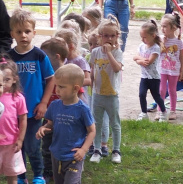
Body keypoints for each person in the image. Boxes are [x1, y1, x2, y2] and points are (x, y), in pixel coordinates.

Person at [8, 8, 55, 184]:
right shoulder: (9, 57)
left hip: (34, 111)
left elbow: (51, 80)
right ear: (12, 33)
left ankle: (38, 175)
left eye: (27, 31)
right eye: (19, 32)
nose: (23, 35)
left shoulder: (40, 56)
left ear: (34, 33)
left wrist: (44, 103)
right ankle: (20, 176)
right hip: (14, 112)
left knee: (33, 146)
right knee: (16, 146)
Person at [36, 64, 96, 184]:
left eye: (61, 87)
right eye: (56, 86)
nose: (57, 90)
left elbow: (92, 131)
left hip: (74, 156)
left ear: (75, 88)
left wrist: (83, 150)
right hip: (56, 154)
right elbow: (50, 124)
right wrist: (43, 128)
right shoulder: (54, 105)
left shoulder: (82, 109)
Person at [89, 15, 123, 164]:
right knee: (96, 122)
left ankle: (116, 150)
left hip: (112, 95)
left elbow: (116, 69)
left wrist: (109, 52)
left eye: (112, 36)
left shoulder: (117, 53)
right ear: (100, 36)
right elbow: (92, 70)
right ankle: (96, 150)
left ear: (117, 37)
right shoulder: (95, 52)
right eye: (105, 35)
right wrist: (91, 85)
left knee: (114, 123)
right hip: (97, 94)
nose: (109, 38)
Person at [40, 38, 69, 183]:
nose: (42, 59)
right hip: (48, 119)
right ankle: (48, 171)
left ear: (57, 56)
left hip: (66, 119)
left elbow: (80, 96)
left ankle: (66, 170)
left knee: (65, 146)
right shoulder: (45, 74)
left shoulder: (69, 74)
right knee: (47, 146)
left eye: (44, 56)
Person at [0, 57, 27, 184]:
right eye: (1, 80)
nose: (4, 84)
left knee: (12, 174)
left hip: (11, 143)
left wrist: (20, 139)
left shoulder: (18, 97)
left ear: (14, 79)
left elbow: (23, 119)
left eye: (7, 80)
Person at [133, 20, 168, 122]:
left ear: (152, 36)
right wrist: (139, 60)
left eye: (144, 37)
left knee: (156, 96)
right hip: (144, 76)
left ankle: (164, 113)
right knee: (141, 94)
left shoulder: (156, 48)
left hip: (154, 77)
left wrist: (139, 60)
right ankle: (144, 113)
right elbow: (135, 57)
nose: (142, 39)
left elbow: (148, 62)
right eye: (141, 37)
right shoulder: (141, 46)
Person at [85, 31, 110, 158]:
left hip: (103, 92)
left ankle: (103, 144)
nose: (92, 47)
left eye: (96, 44)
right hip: (91, 93)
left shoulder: (106, 56)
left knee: (103, 118)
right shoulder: (88, 57)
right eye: (90, 44)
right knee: (91, 118)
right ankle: (92, 143)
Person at [156, 13, 183, 121]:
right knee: (161, 90)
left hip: (174, 70)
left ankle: (173, 111)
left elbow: (181, 57)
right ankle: (160, 110)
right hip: (162, 69)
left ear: (173, 27)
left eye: (165, 26)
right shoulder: (160, 39)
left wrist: (181, 70)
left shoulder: (178, 42)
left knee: (172, 90)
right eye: (161, 26)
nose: (162, 29)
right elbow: (159, 52)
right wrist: (162, 43)